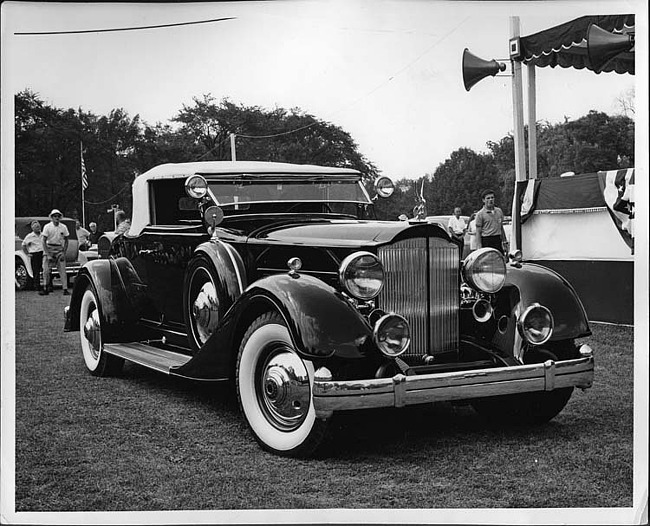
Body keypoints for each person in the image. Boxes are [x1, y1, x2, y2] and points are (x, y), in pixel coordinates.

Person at [41, 209, 70, 295]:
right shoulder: (47, 227)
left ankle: (65, 289)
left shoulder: (63, 227)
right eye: (55, 216)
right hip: (49, 247)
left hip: (59, 249)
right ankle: (45, 287)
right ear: (52, 218)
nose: (56, 218)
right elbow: (43, 241)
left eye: (58, 216)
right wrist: (47, 254)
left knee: (62, 269)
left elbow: (67, 240)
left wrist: (63, 253)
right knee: (46, 269)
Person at [475, 190, 508, 254]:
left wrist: (504, 242)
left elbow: (501, 228)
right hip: (486, 240)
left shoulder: (499, 211)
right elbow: (478, 232)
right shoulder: (480, 214)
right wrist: (479, 248)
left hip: (497, 240)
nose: (490, 200)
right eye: (488, 198)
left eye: (492, 197)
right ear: (483, 200)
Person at [22, 220, 44, 292]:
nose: (38, 228)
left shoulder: (43, 235)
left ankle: (47, 285)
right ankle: (37, 286)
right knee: (36, 270)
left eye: (38, 226)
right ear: (32, 228)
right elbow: (24, 245)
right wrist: (27, 253)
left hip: (43, 253)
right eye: (36, 227)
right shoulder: (30, 236)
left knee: (45, 269)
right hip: (35, 254)